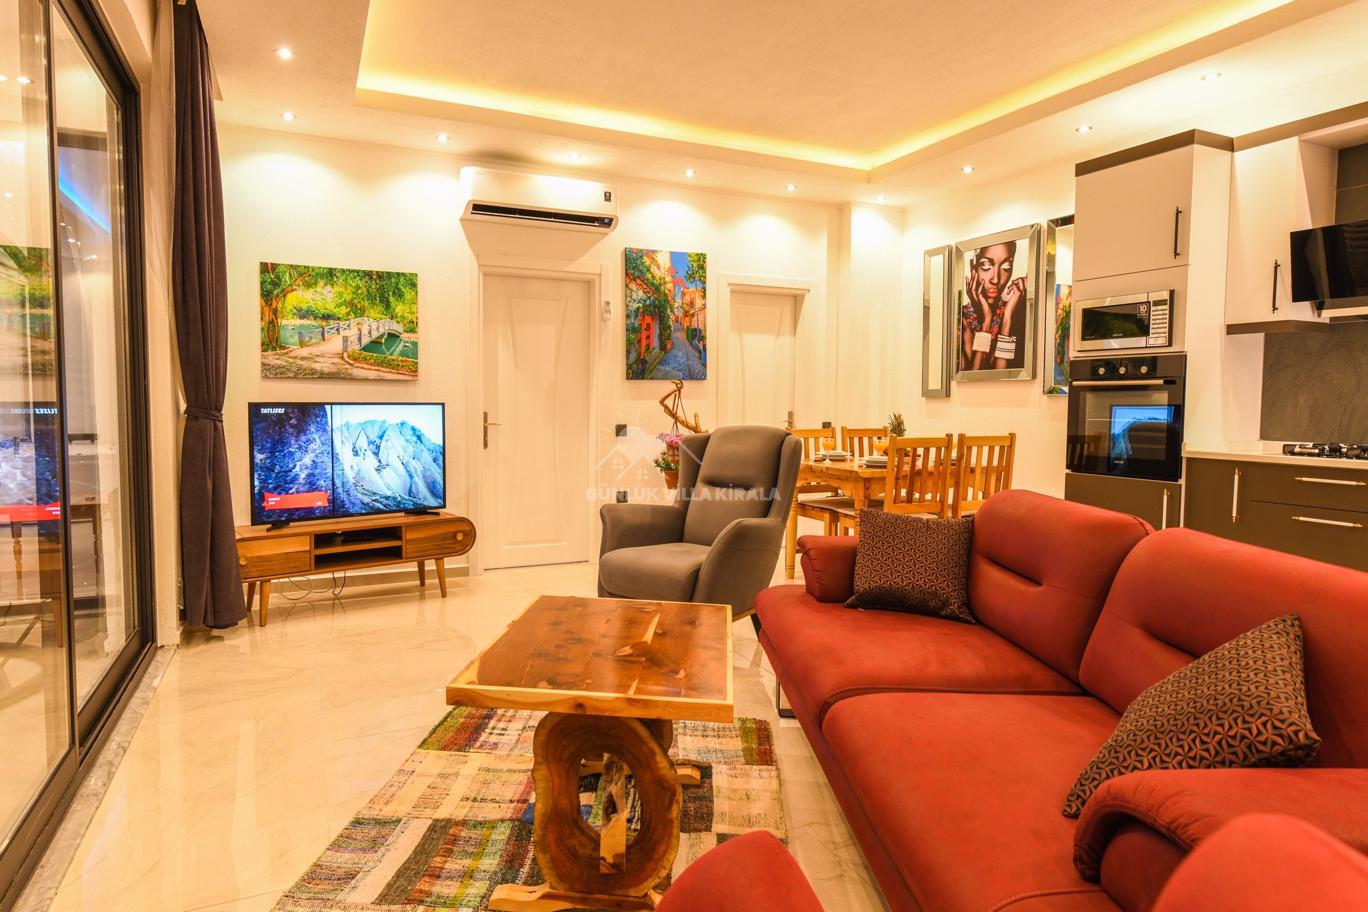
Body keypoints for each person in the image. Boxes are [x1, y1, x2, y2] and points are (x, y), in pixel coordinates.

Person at [960, 241, 1027, 371]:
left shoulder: (1017, 315)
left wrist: (1007, 317)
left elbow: (1001, 375)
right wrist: (986, 322)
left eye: (1006, 266)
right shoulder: (960, 320)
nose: (995, 279)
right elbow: (974, 377)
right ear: (973, 268)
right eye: (986, 265)